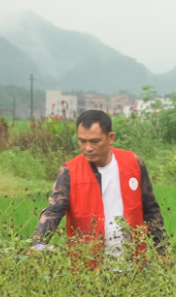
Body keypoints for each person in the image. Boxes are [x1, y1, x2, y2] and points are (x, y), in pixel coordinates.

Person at [31, 110, 167, 265]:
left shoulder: (133, 163)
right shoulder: (69, 172)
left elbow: (151, 211)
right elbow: (54, 211)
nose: (88, 148)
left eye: (95, 141)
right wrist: (38, 245)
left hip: (133, 264)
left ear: (110, 138)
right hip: (88, 268)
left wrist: (162, 250)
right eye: (82, 141)